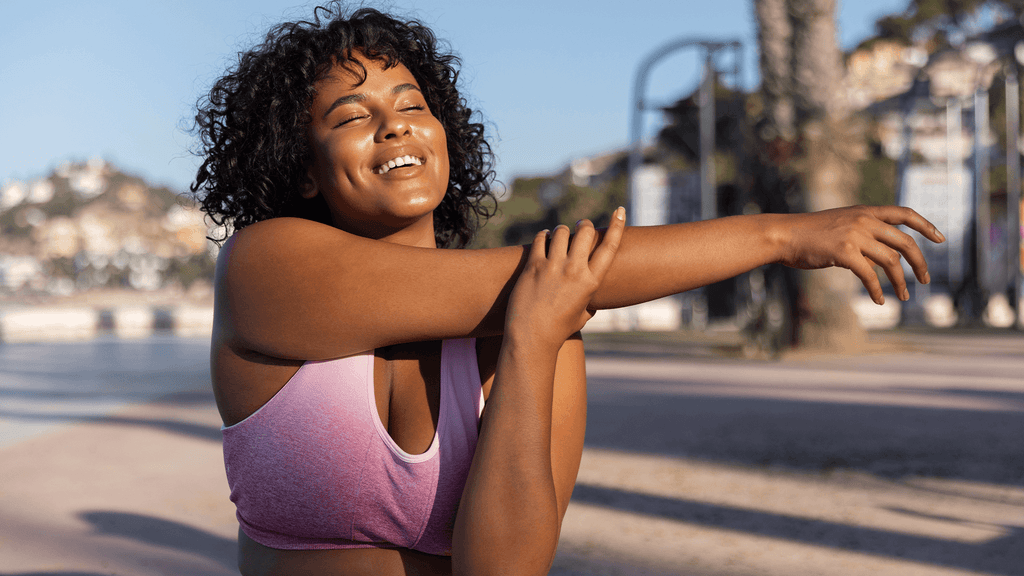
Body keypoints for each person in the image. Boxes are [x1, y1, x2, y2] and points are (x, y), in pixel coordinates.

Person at [191, 5, 944, 575]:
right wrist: (784, 236)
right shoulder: (265, 266)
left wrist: (529, 347)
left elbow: (506, 568)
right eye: (353, 117)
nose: (396, 129)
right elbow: (539, 274)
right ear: (300, 166)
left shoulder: (544, 324)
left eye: (413, 105)